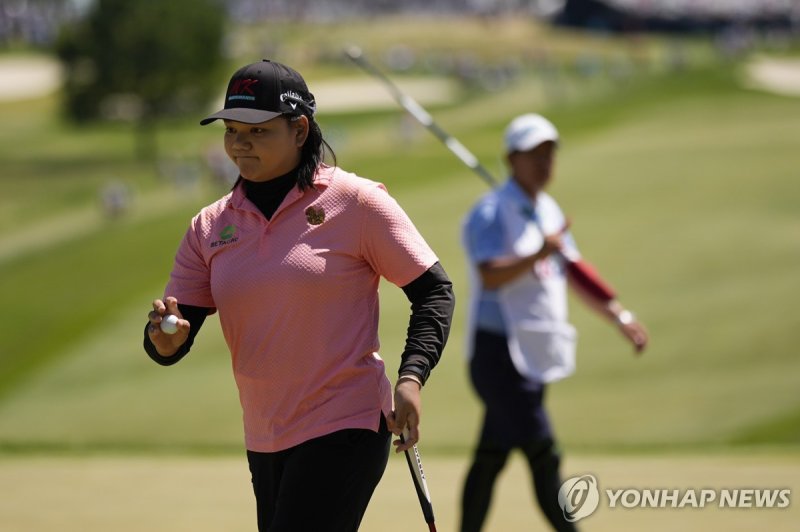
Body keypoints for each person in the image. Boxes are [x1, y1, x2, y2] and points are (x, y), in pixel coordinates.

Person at [143, 59, 455, 532]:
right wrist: (164, 342)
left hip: (346, 422)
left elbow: (433, 291)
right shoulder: (209, 226)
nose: (239, 143)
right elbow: (175, 326)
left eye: (257, 131)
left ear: (300, 129)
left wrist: (411, 376)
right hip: (265, 433)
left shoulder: (356, 201)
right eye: (231, 130)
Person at [459, 113, 648, 531]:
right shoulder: (491, 211)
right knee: (544, 453)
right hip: (499, 356)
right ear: (512, 159)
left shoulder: (546, 210)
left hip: (534, 352)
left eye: (549, 153)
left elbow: (575, 269)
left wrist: (619, 316)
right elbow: (490, 274)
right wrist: (537, 254)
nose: (544, 162)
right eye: (534, 154)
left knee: (491, 456)